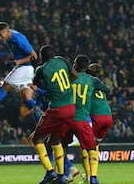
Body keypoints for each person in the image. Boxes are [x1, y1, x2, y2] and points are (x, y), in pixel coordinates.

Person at [30, 45, 77, 184]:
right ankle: (61, 177)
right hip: (71, 108)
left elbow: (34, 82)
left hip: (57, 109)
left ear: (42, 57)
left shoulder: (42, 69)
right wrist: (64, 87)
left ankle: (50, 172)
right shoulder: (62, 60)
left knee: (36, 138)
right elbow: (75, 75)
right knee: (55, 141)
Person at [62, 55, 110, 184]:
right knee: (92, 148)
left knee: (60, 146)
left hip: (68, 118)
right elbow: (107, 89)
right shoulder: (91, 80)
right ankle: (92, 177)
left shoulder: (69, 78)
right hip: (85, 119)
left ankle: (63, 175)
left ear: (75, 65)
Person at [80, 63, 113, 182]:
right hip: (108, 116)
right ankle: (93, 175)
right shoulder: (99, 84)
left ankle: (90, 177)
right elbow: (108, 90)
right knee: (95, 145)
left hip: (96, 117)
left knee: (85, 147)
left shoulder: (86, 83)